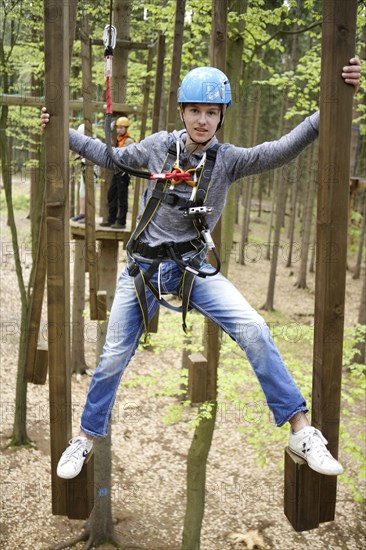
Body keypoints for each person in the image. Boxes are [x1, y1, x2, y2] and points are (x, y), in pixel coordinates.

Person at [41, 59, 361, 481]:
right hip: (143, 270)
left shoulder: (228, 161)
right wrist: (60, 132)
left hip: (192, 267)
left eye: (212, 113)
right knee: (113, 358)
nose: (203, 120)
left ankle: (300, 430)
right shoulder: (157, 148)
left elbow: (280, 150)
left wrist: (331, 105)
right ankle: (85, 437)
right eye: (196, 110)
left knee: (254, 329)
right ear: (182, 112)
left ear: (221, 116)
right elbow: (111, 157)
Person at [100, 116, 135, 229]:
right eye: (118, 128)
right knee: (112, 195)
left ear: (126, 128)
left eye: (121, 128)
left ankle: (121, 222)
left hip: (123, 173)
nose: (119, 130)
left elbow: (124, 156)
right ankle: (111, 219)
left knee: (122, 198)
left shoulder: (128, 141)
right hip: (117, 172)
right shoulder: (118, 139)